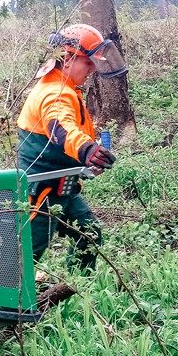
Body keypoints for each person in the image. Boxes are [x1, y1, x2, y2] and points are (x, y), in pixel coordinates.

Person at [17, 23, 126, 269]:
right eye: (87, 63)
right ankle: (4, 302)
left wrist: (88, 151)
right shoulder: (55, 94)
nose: (91, 70)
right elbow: (61, 129)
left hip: (63, 185)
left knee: (89, 233)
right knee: (27, 254)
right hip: (42, 190)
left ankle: (76, 288)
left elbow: (70, 129)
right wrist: (87, 150)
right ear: (67, 58)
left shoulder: (64, 88)